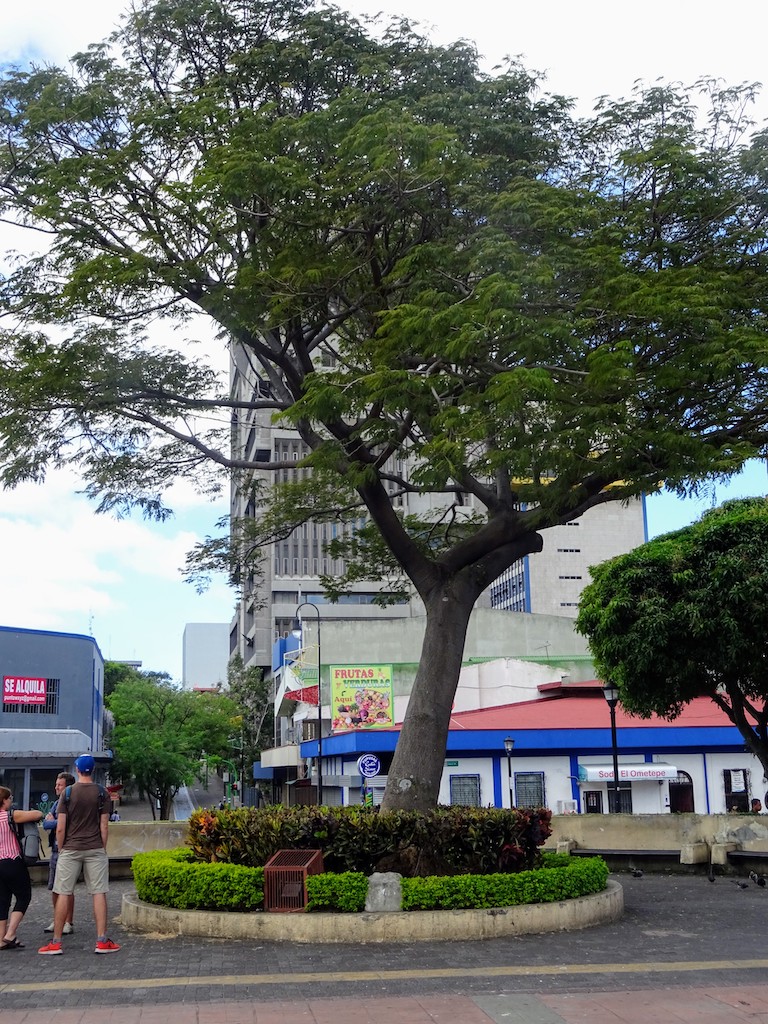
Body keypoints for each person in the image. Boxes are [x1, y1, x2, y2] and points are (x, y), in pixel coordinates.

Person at [38, 754, 120, 955]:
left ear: (77, 770)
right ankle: (101, 940)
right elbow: (104, 826)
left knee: (63, 891)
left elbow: (60, 827)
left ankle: (56, 942)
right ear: (92, 770)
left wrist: (63, 847)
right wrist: (102, 847)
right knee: (99, 892)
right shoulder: (102, 793)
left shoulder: (67, 793)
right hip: (95, 848)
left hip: (70, 848)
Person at [0, 785, 43, 950]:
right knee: (24, 896)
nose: (11, 801)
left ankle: (1, 940)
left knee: (2, 901)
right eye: (9, 798)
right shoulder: (10, 815)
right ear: (4, 800)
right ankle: (10, 934)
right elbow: (38, 814)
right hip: (12, 861)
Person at [42, 772, 76, 935]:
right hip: (55, 850)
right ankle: (58, 918)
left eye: (59, 785)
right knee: (55, 887)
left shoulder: (72, 804)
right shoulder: (56, 804)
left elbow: (66, 822)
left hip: (68, 848)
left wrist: (55, 821)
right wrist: (55, 822)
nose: (56, 787)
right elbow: (46, 824)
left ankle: (68, 921)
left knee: (66, 888)